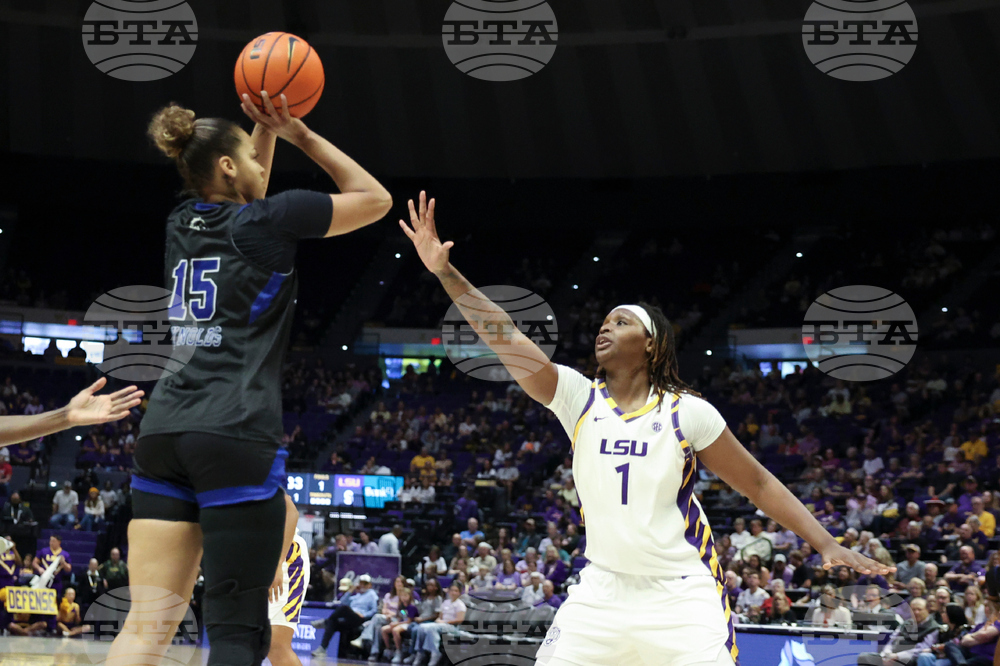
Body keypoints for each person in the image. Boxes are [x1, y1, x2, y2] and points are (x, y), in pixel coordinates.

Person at [400, 191, 891, 666]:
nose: (604, 328)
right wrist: (447, 274)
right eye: (604, 323)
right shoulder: (578, 397)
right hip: (600, 590)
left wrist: (824, 542)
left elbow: (759, 483)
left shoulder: (687, 412)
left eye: (620, 323)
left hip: (679, 592)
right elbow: (505, 336)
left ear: (652, 345)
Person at [112, 90, 391, 666]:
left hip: (163, 432)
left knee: (146, 627)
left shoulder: (179, 222)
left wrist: (255, 134)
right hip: (234, 432)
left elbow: (248, 194)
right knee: (239, 635)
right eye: (255, 157)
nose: (266, 166)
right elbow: (375, 199)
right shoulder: (272, 219)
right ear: (228, 166)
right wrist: (299, 134)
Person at [266, 492, 310, 666]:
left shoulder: (252, 469)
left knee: (275, 643)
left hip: (283, 556)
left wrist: (277, 564)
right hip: (248, 557)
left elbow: (291, 512)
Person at [312, 574, 379, 658]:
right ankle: (322, 648)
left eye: (365, 583)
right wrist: (351, 590)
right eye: (361, 583)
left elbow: (374, 610)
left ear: (369, 585)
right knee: (333, 623)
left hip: (360, 619)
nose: (362, 585)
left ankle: (325, 622)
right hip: (350, 618)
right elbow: (342, 603)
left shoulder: (371, 594)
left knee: (344, 609)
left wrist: (364, 615)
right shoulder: (356, 596)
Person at [857, 597, 939, 665]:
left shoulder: (933, 627)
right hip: (893, 655)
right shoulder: (906, 623)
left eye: (919, 609)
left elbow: (921, 649)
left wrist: (897, 656)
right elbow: (892, 640)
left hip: (910, 658)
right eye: (913, 609)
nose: (916, 612)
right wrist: (886, 655)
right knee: (864, 657)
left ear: (927, 610)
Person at [409, 581, 467, 666]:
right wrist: (439, 620)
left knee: (432, 628)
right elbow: (440, 616)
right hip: (441, 625)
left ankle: (435, 652)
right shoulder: (445, 602)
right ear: (449, 591)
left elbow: (459, 620)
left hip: (452, 627)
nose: (453, 593)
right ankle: (420, 652)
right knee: (421, 627)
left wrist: (444, 622)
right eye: (452, 590)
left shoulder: (460, 605)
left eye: (456, 591)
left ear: (459, 592)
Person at [380, 585, 419, 664]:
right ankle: (389, 649)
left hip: (410, 624)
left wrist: (397, 623)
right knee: (384, 629)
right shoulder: (401, 606)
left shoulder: (412, 607)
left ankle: (399, 651)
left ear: (410, 596)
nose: (403, 597)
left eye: (405, 595)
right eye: (402, 596)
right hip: (401, 623)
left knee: (395, 630)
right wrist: (394, 622)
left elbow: (408, 620)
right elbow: (401, 617)